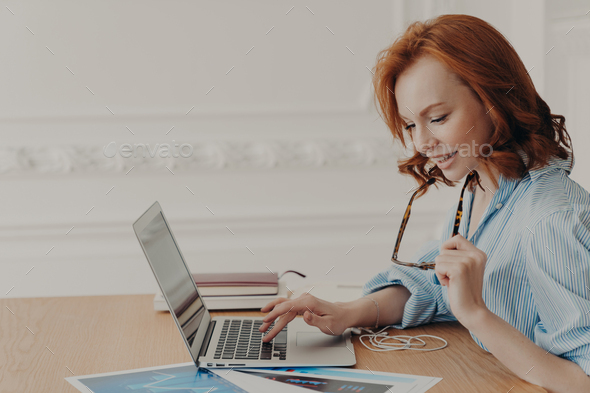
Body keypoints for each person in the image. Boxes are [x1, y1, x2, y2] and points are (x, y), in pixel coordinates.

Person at [258, 14, 590, 392]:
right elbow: (437, 284)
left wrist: (476, 314)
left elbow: (582, 380)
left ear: (494, 100)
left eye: (438, 118)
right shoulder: (481, 187)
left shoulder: (549, 221)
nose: (421, 143)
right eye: (411, 125)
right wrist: (347, 313)